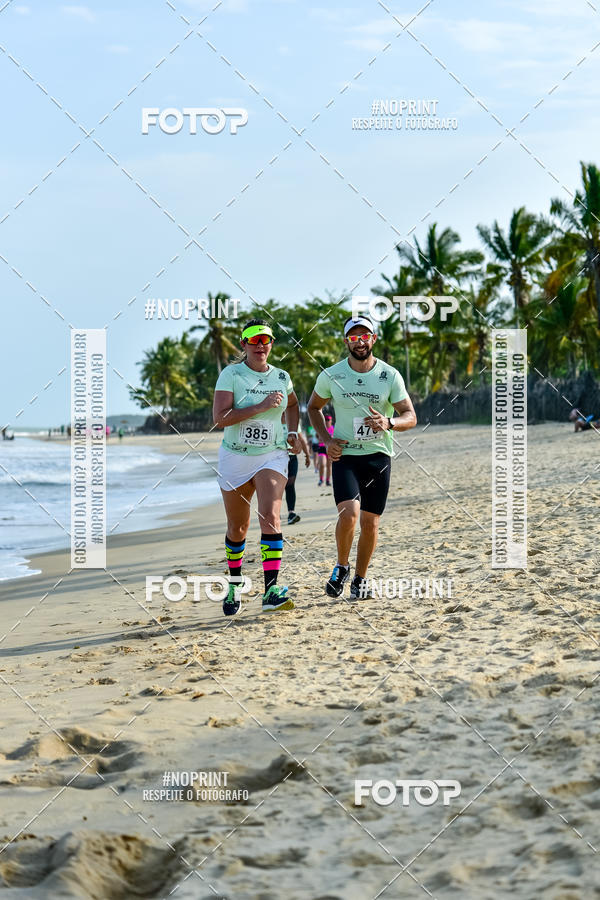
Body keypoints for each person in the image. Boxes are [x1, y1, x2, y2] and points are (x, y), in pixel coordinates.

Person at [308, 314, 417, 600]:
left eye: (365, 336)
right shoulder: (332, 375)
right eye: (354, 337)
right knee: (349, 514)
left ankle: (360, 579)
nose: (360, 342)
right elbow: (313, 407)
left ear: (373, 339)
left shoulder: (389, 375)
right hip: (345, 455)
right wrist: (327, 439)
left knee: (370, 523)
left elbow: (410, 416)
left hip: (378, 457)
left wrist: (389, 422)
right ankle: (341, 566)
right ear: (346, 341)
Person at [213, 319, 301, 616]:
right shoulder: (232, 374)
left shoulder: (282, 376)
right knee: (238, 527)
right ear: (244, 344)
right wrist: (260, 406)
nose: (260, 345)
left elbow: (292, 405)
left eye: (266, 340)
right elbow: (220, 418)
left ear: (272, 344)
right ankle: (235, 584)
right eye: (254, 340)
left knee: (270, 517)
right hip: (236, 457)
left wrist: (292, 432)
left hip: (271, 455)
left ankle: (271, 591)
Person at [282, 415, 311, 524]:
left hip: (292, 457)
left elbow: (301, 439)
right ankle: (274, 514)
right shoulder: (273, 418)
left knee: (290, 484)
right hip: (277, 458)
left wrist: (307, 455)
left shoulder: (292, 422)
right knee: (277, 487)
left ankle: (291, 513)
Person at [316, 415, 334, 487]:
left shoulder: (334, 429)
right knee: (322, 464)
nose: (327, 421)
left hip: (330, 448)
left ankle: (328, 480)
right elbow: (317, 436)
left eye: (328, 420)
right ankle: (321, 479)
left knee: (329, 465)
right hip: (322, 448)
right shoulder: (321, 428)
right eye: (325, 420)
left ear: (331, 421)